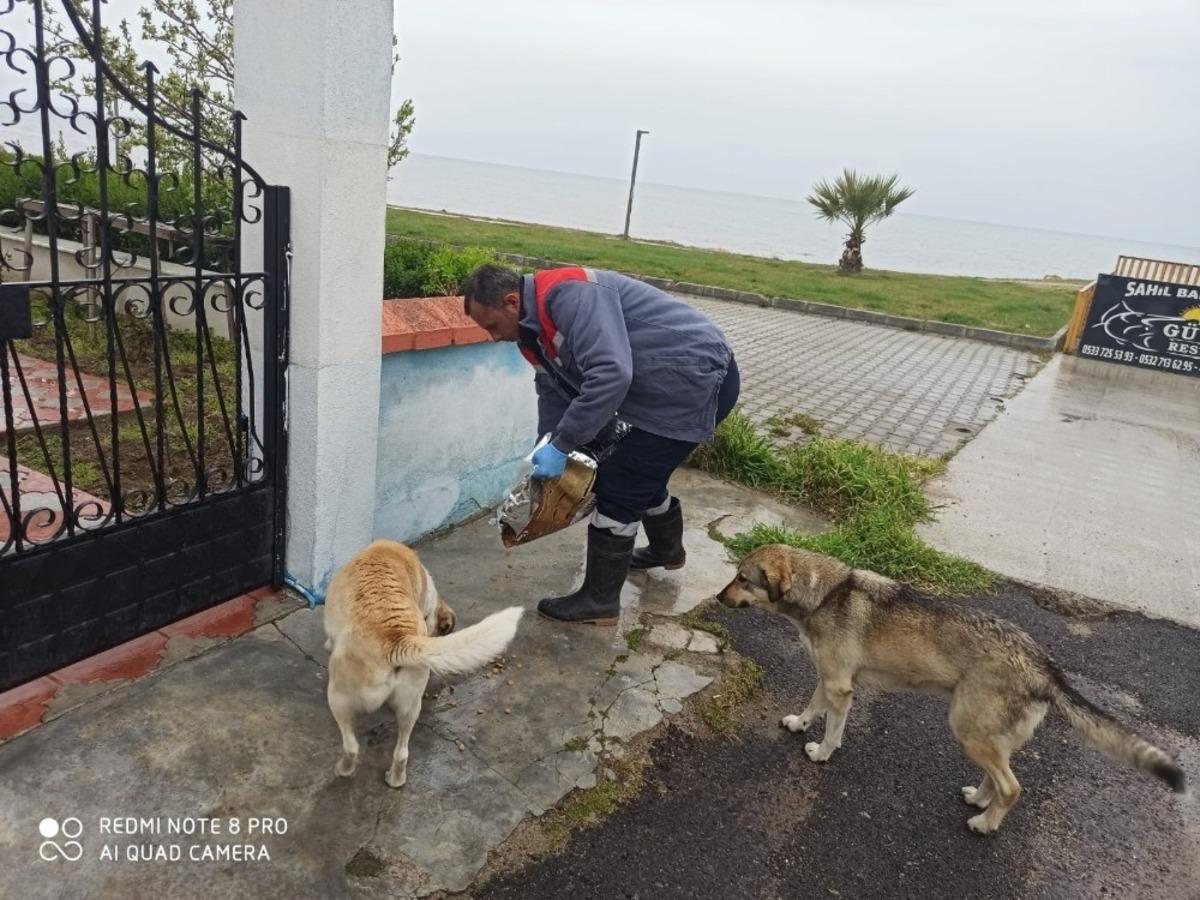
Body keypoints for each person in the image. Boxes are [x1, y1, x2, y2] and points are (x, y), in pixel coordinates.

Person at [464, 263, 740, 626]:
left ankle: (599, 600)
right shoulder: (530, 334)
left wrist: (564, 444)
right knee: (643, 470)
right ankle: (666, 550)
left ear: (512, 302)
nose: (492, 336)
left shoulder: (569, 295)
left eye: (492, 325)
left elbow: (611, 373)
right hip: (664, 386)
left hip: (695, 381)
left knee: (623, 484)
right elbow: (551, 391)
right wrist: (546, 446)